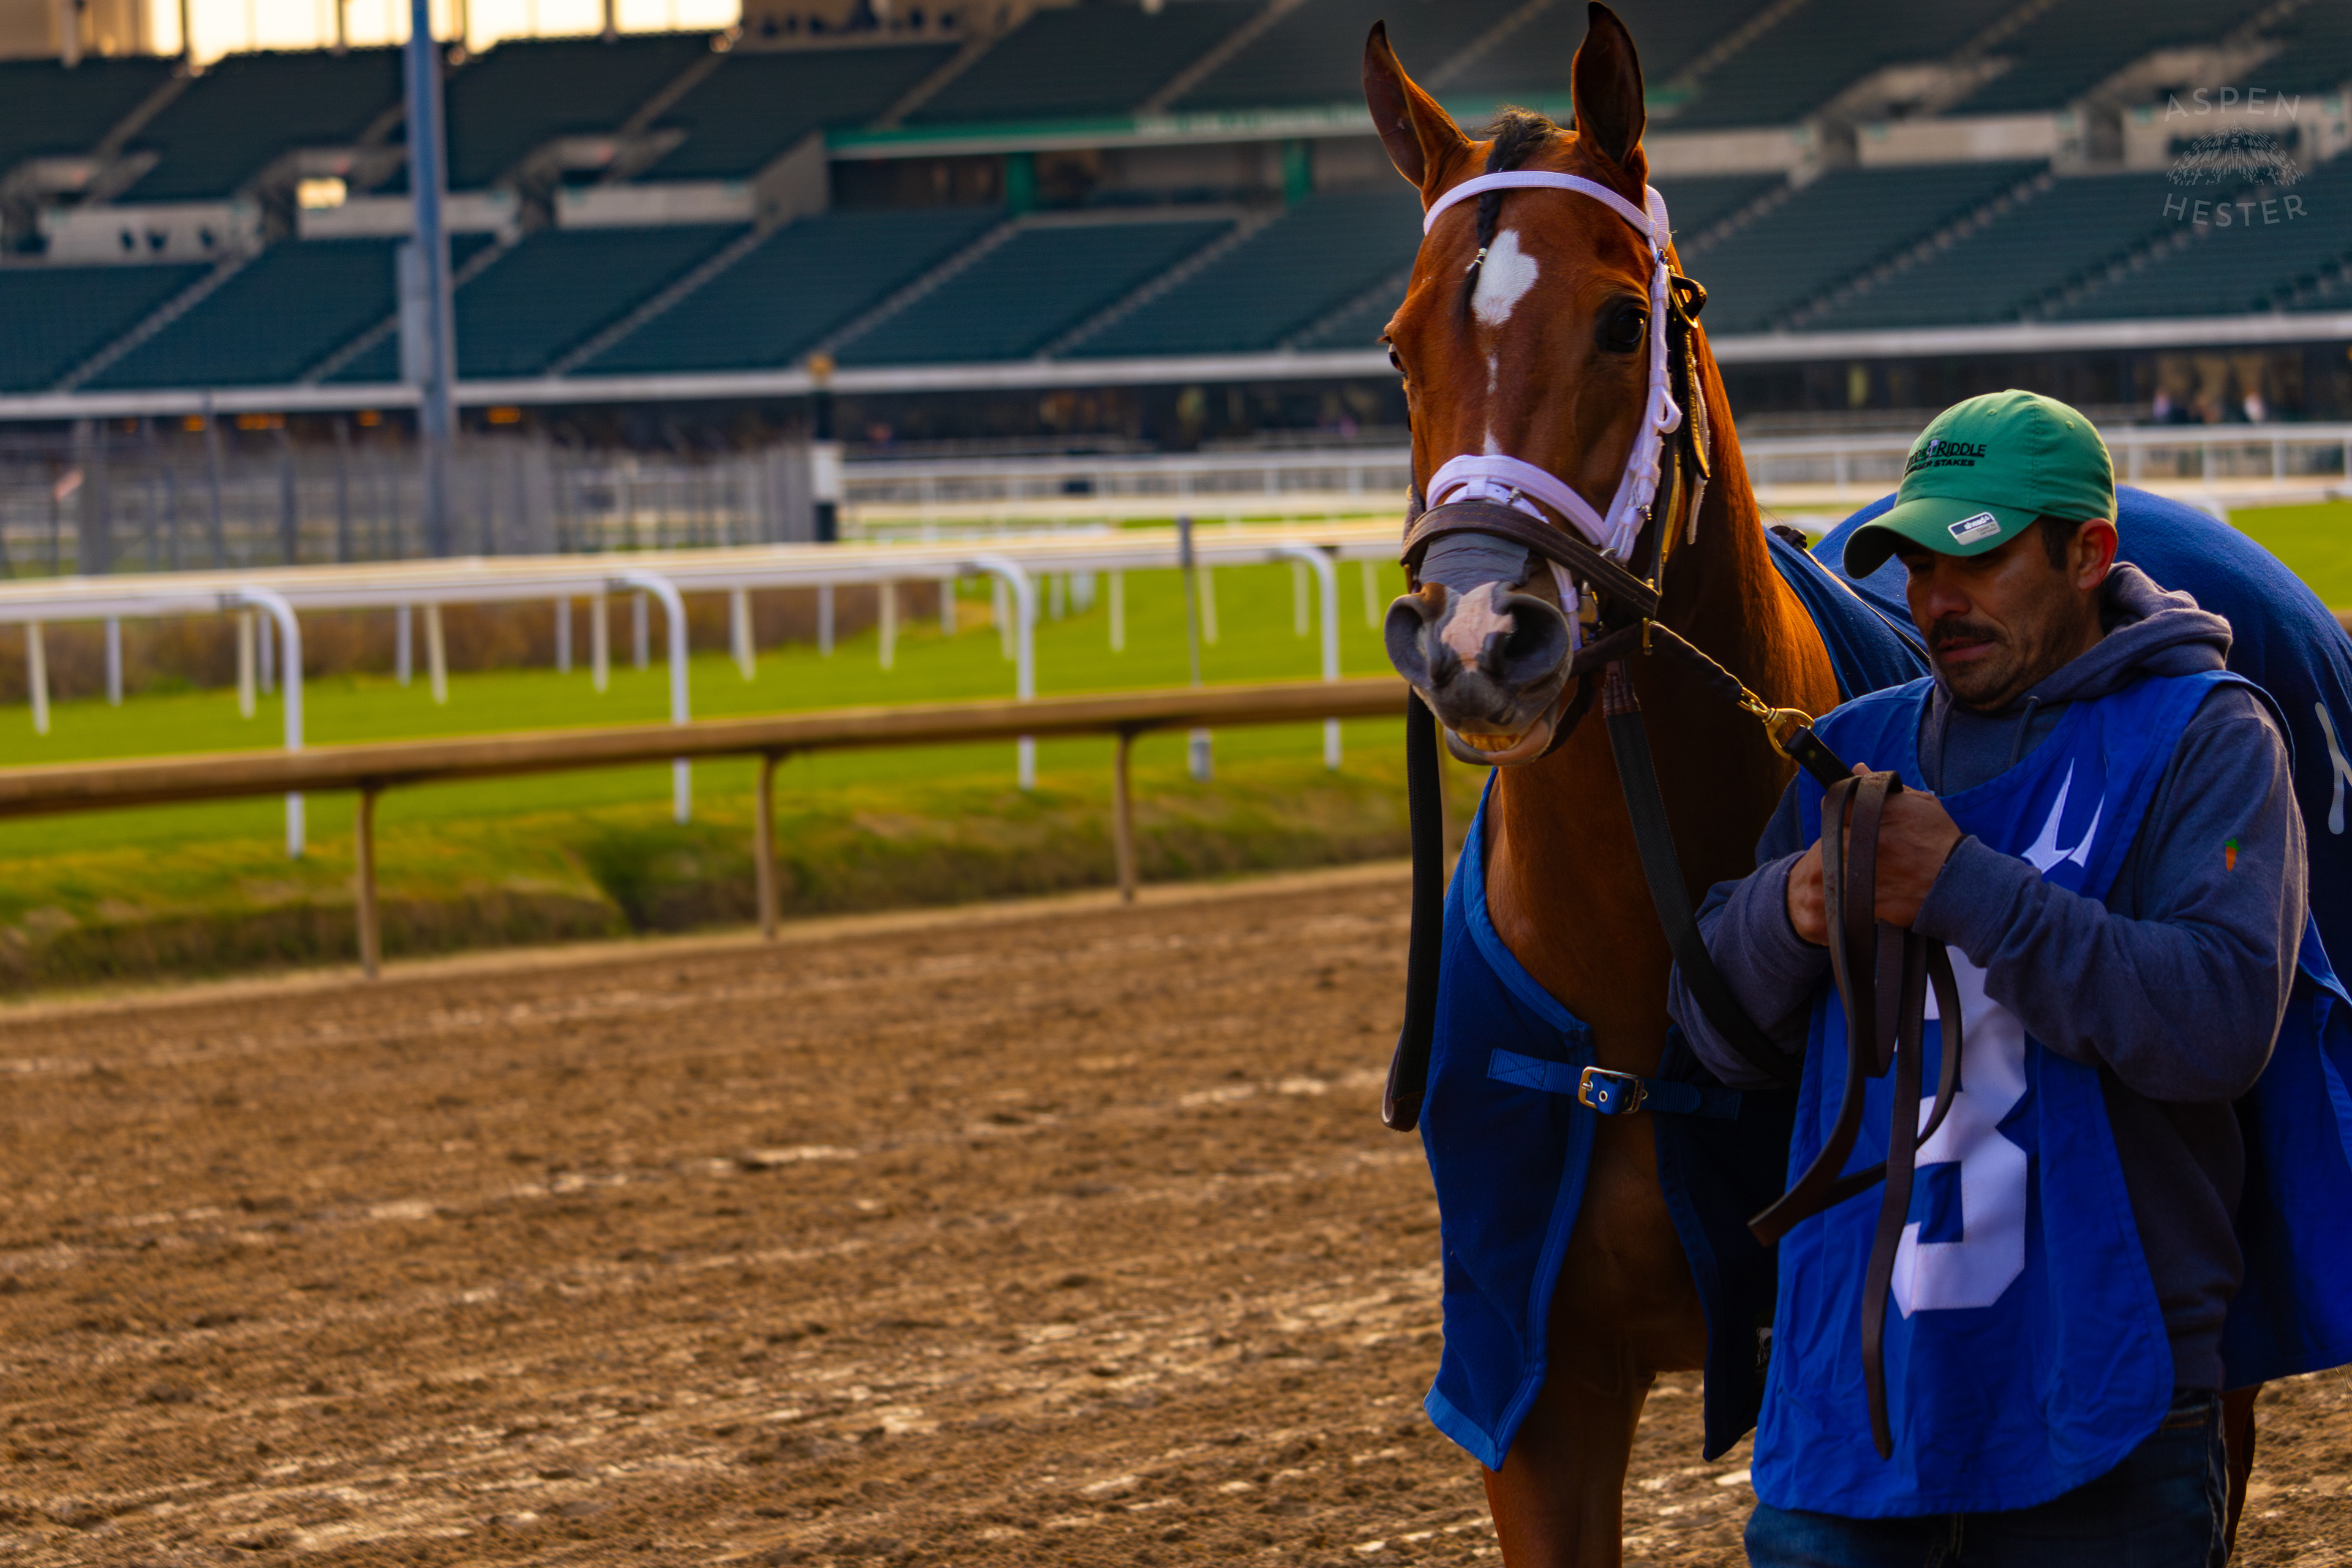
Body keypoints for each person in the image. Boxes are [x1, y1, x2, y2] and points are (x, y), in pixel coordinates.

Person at [1667, 390, 2307, 1564]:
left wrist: (1961, 884)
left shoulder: (2212, 736)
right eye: (1913, 562)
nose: (1933, 600)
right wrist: (1792, 909)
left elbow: (2217, 1022)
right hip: (1848, 1409)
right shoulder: (1849, 746)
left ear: (2089, 554)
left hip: (2108, 1399)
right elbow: (1710, 1036)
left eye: (1976, 557)